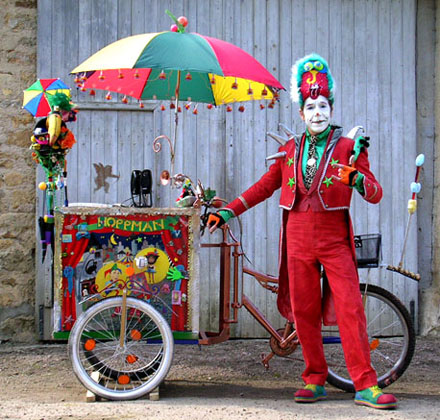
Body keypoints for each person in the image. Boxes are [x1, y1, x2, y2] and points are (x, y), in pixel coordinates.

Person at [207, 53, 397, 410]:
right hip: (296, 237)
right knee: (304, 310)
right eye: (311, 106)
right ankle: (314, 378)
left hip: (334, 237)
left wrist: (355, 179)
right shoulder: (289, 150)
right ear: (301, 112)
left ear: (332, 107)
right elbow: (264, 186)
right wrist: (230, 211)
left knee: (351, 308)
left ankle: (366, 385)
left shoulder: (348, 148)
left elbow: (375, 192)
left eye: (323, 105)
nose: (317, 112)